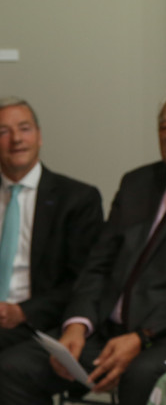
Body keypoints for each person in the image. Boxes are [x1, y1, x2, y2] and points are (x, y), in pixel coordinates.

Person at [0, 85, 166, 405]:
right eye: (163, 125)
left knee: (141, 377)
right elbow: (98, 265)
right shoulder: (137, 183)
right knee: (15, 368)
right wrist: (76, 324)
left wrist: (141, 337)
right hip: (104, 329)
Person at [0, 97, 103, 352]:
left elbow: (83, 280)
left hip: (40, 320)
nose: (16, 139)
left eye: (24, 129)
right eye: (3, 131)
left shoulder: (77, 199)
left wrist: (22, 312)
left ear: (39, 136)